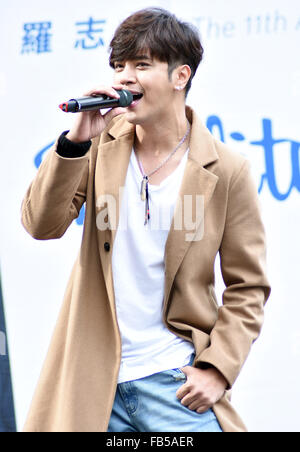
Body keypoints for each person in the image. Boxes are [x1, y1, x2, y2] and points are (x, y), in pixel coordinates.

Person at [21, 8, 271, 433]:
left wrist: (218, 369)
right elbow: (41, 224)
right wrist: (79, 138)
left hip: (173, 383)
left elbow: (248, 287)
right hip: (94, 384)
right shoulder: (99, 147)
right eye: (118, 66)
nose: (124, 78)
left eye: (141, 64)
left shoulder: (227, 170)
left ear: (180, 77)